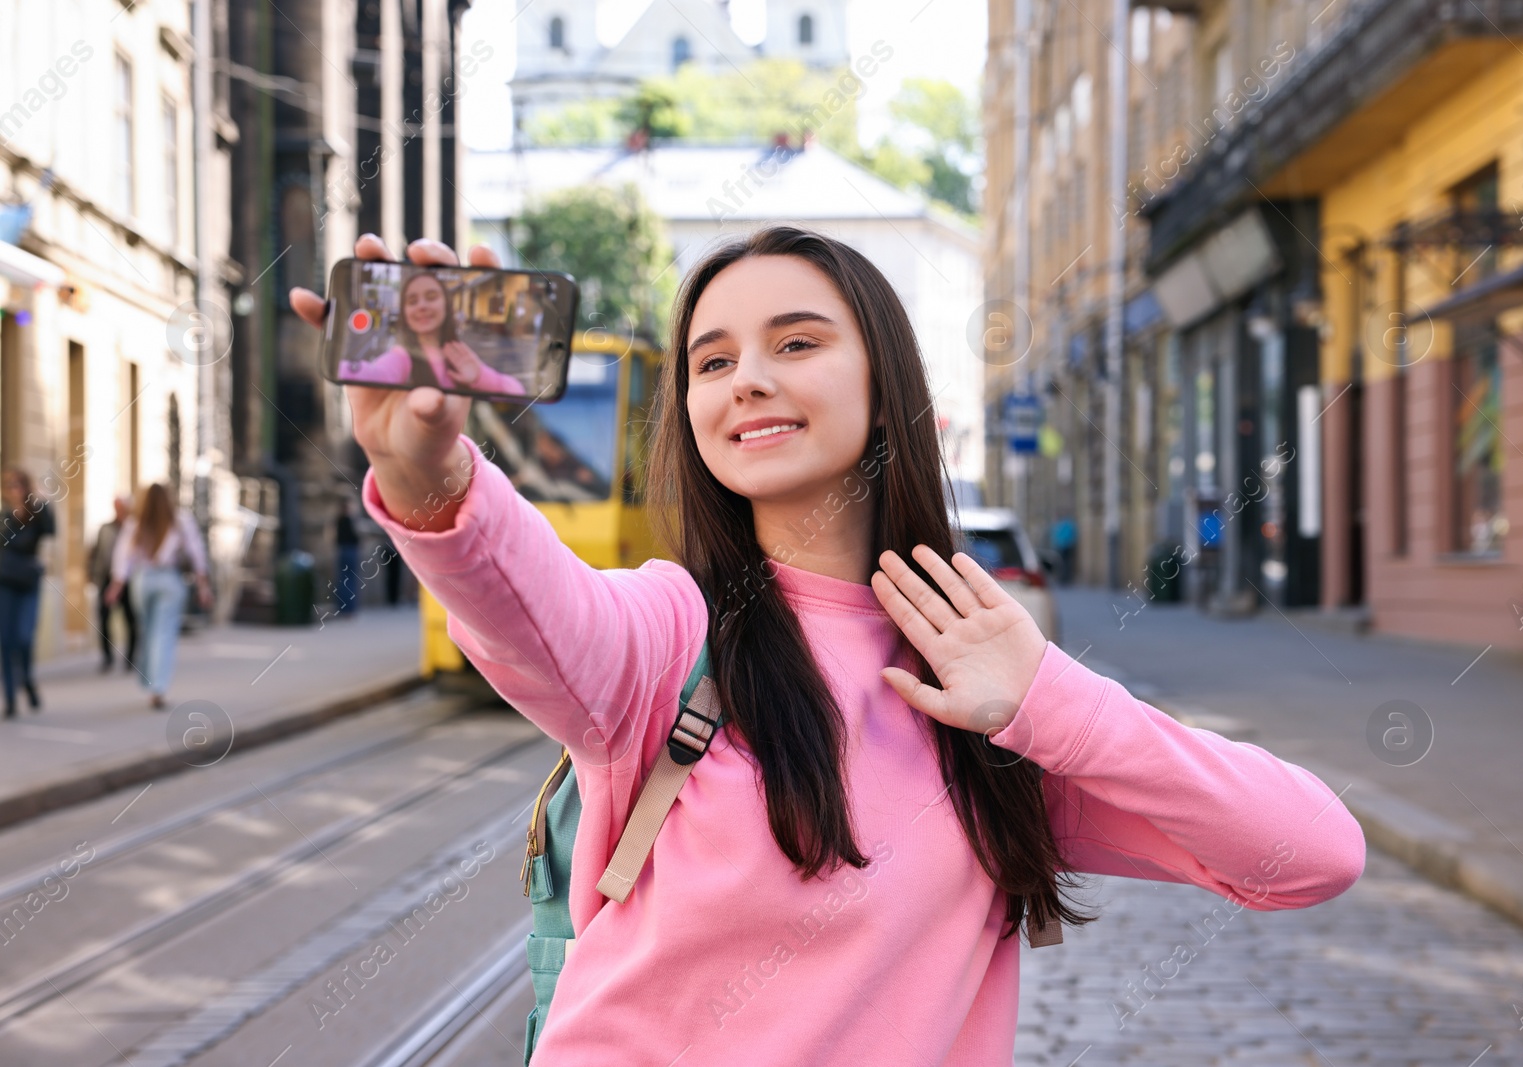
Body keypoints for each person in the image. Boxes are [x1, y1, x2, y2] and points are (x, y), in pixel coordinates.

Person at [289, 229, 1365, 1065]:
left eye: (795, 342)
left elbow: (1310, 850)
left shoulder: (988, 699)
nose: (745, 378)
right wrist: (430, 473)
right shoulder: (670, 635)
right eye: (711, 361)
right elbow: (525, 601)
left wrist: (1045, 694)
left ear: (884, 383)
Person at [104, 484, 212, 710]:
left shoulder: (136, 523)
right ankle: (157, 686)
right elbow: (196, 552)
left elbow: (123, 556)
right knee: (163, 635)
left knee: (148, 631)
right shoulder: (180, 520)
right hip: (169, 580)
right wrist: (203, 586)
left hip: (142, 581)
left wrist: (116, 585)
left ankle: (150, 681)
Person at [336, 271, 527, 396]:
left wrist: (479, 377)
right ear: (405, 313)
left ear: (447, 305)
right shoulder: (401, 358)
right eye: (412, 301)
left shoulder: (459, 355)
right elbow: (377, 374)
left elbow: (516, 390)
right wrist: (342, 367)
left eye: (431, 297)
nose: (422, 306)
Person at [0, 467, 54, 718]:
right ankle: (10, 699)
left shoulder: (39, 513)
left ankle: (28, 680)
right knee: (5, 640)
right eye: (9, 485)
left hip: (29, 583)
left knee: (24, 637)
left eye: (18, 484)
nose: (14, 490)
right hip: (5, 583)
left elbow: (50, 542)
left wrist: (43, 565)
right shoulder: (3, 517)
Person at [89, 495, 139, 672]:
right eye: (116, 506)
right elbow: (95, 553)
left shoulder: (134, 527)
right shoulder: (105, 528)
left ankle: (131, 657)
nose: (119, 510)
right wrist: (94, 576)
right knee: (103, 619)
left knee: (131, 619)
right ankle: (107, 658)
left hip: (129, 581)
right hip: (107, 579)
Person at [334, 497, 362, 616]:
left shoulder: (338, 520)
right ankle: (349, 609)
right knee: (350, 580)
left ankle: (343, 608)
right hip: (350, 550)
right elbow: (357, 536)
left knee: (343, 580)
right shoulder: (350, 520)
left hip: (342, 550)